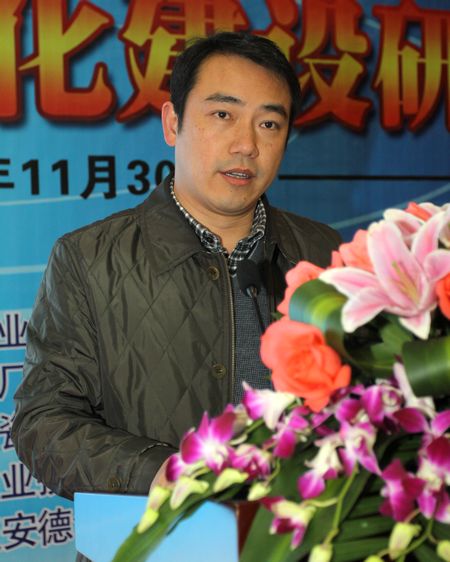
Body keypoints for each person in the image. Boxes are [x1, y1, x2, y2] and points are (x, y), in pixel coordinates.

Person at [12, 32, 341, 505]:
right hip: (166, 532)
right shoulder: (87, 258)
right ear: (173, 123)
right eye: (223, 115)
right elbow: (44, 423)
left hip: (304, 528)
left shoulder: (327, 252)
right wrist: (162, 472)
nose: (246, 145)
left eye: (269, 123)